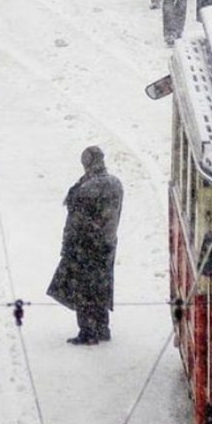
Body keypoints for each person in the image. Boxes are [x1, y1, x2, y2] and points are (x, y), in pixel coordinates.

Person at [47, 145, 124, 345]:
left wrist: (68, 247)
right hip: (108, 244)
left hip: (85, 246)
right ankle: (102, 327)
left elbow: (75, 222)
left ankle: (87, 332)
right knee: (101, 285)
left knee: (83, 289)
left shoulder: (85, 189)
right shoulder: (116, 184)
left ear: (86, 163)